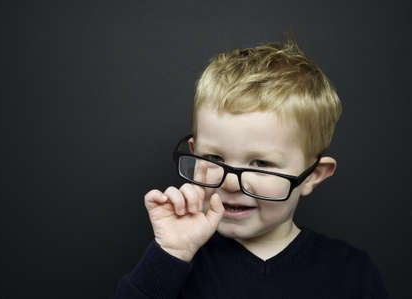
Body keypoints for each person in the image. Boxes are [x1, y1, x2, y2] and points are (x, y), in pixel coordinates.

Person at [114, 38, 390, 298]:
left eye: (261, 163)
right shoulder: (178, 259)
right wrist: (170, 254)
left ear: (313, 176)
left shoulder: (351, 272)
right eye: (216, 159)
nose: (231, 184)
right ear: (195, 154)